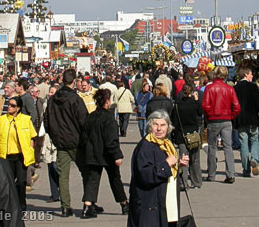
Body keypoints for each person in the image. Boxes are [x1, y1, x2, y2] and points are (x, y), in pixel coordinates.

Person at [128, 111, 189, 227]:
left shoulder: (166, 144)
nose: (159, 129)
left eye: (163, 125)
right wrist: (166, 164)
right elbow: (145, 175)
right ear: (150, 126)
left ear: (168, 127)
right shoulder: (146, 146)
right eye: (156, 124)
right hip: (150, 206)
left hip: (166, 204)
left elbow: (168, 168)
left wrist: (178, 165)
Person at [44, 68, 88, 217]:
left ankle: (65, 206)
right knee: (86, 172)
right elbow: (84, 120)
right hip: (76, 141)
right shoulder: (75, 99)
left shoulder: (52, 99)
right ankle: (88, 203)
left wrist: (54, 135)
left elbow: (46, 120)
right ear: (74, 81)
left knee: (63, 175)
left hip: (60, 141)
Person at [80, 88, 129, 219]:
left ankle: (87, 206)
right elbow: (111, 140)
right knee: (115, 179)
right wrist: (117, 155)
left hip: (93, 153)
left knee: (92, 180)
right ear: (107, 102)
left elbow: (84, 137)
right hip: (107, 154)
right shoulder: (109, 119)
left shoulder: (90, 117)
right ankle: (124, 204)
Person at [0, 96, 37, 212]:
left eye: (13, 105)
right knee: (7, 183)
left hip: (21, 156)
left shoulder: (25, 119)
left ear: (18, 108)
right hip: (6, 156)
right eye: (9, 104)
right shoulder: (2, 120)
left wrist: (30, 150)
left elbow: (32, 137)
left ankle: (21, 205)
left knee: (20, 182)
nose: (9, 107)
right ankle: (7, 206)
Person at [202, 66, 241, 184]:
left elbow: (205, 105)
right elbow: (237, 106)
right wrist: (231, 116)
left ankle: (211, 174)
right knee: (228, 147)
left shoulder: (209, 88)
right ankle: (230, 174)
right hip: (226, 120)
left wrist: (210, 114)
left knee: (212, 147)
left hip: (214, 120)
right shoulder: (229, 89)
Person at [233, 68, 259, 177]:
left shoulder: (235, 88)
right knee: (255, 140)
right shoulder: (253, 87)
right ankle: (255, 159)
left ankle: (246, 169)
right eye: (251, 74)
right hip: (253, 119)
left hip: (241, 120)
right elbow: (258, 104)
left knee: (243, 144)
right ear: (246, 75)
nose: (252, 76)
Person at [171, 83, 203, 189]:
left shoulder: (177, 105)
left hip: (181, 134)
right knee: (195, 159)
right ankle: (197, 181)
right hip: (193, 134)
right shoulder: (194, 103)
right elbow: (200, 113)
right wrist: (197, 100)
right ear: (192, 92)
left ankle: (183, 183)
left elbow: (174, 121)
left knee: (183, 159)